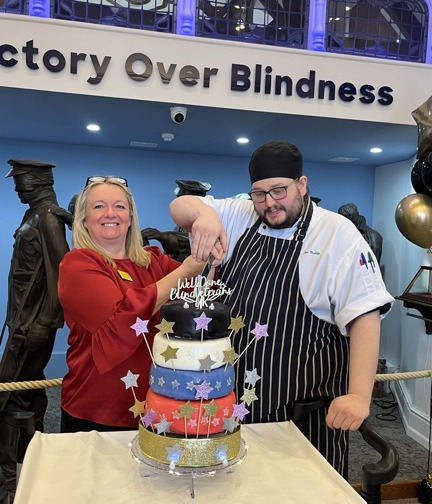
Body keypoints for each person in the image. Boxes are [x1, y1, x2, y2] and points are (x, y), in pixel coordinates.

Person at [170, 140, 394, 478]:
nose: (269, 203)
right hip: (236, 407)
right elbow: (179, 204)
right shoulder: (241, 214)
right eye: (259, 194)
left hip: (304, 419)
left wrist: (360, 396)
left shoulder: (337, 235)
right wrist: (204, 215)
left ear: (302, 185)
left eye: (279, 191)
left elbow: (365, 314)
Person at [57, 176, 206, 432]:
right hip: (96, 409)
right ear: (83, 219)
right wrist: (185, 272)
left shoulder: (153, 261)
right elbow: (123, 318)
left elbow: (200, 291)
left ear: (130, 217)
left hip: (156, 405)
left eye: (119, 206)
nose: (110, 213)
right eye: (99, 206)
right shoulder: (77, 264)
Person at [0, 159, 70, 500]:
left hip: (34, 323)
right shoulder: (34, 214)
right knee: (22, 391)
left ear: (38, 181)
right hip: (21, 320)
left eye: (21, 181)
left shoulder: (48, 218)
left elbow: (63, 275)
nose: (16, 188)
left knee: (10, 394)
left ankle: (11, 477)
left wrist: (44, 323)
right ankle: (30, 456)